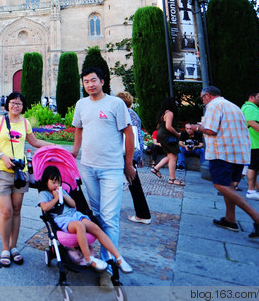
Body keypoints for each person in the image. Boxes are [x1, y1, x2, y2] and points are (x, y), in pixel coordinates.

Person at [71, 67, 135, 288]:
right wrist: (74, 154)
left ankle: (107, 268)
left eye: (93, 81)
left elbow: (128, 132)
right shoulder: (81, 104)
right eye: (86, 81)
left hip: (111, 168)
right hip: (88, 167)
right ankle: (99, 259)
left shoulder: (115, 104)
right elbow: (78, 129)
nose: (90, 84)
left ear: (102, 81)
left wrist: (128, 163)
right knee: (96, 214)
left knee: (110, 217)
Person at [185, 86, 259, 239]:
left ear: (207, 95)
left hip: (222, 152)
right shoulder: (232, 106)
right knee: (229, 186)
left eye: (202, 98)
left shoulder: (213, 106)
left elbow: (211, 130)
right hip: (239, 152)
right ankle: (230, 219)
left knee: (220, 185)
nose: (203, 101)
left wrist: (195, 127)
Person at [0, 92, 55, 268]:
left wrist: (53, 146)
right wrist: (2, 156)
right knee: (7, 211)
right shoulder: (0, 121)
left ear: (23, 106)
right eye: (13, 103)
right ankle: (4, 248)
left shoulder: (25, 123)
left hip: (20, 173)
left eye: (19, 103)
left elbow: (33, 141)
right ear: (7, 104)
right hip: (2, 171)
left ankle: (13, 247)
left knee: (17, 210)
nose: (16, 106)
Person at [39, 165, 133, 274]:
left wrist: (63, 195)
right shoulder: (44, 193)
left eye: (59, 182)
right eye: (53, 182)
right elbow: (45, 207)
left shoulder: (62, 191)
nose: (57, 185)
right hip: (63, 219)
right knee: (80, 226)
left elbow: (73, 204)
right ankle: (89, 259)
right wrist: (55, 198)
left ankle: (119, 258)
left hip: (74, 214)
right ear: (46, 182)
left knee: (96, 228)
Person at [116, 91, 152, 225]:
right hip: (133, 153)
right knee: (133, 183)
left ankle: (143, 214)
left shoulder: (125, 114)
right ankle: (143, 213)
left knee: (133, 184)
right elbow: (140, 136)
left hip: (126, 153)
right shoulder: (134, 114)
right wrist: (139, 155)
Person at [151, 98, 184, 186]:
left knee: (170, 155)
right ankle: (172, 179)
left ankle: (156, 168)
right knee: (173, 157)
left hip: (161, 135)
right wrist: (177, 134)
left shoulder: (163, 113)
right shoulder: (170, 113)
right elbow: (168, 126)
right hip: (167, 136)